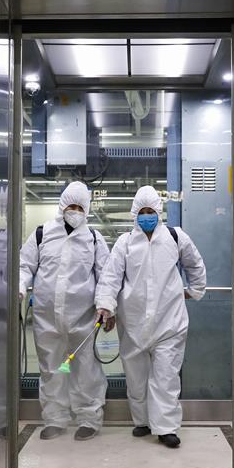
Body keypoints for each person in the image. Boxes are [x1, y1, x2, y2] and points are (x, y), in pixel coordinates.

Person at [94, 186, 206, 448]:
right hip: (132, 323)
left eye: (151, 211)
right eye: (142, 212)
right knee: (136, 378)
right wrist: (106, 304)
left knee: (166, 377)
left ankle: (166, 428)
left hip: (170, 322)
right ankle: (142, 421)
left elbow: (195, 263)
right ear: (135, 213)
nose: (147, 216)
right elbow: (111, 277)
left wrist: (195, 290)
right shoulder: (125, 243)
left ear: (159, 212)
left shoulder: (175, 237)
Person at [19, 181, 110, 441]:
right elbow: (24, 265)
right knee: (52, 369)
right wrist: (20, 287)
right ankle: (55, 419)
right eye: (71, 206)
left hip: (83, 318)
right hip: (47, 318)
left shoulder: (94, 239)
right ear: (62, 206)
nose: (75, 211)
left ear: (87, 209)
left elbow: (106, 276)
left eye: (80, 207)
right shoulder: (42, 234)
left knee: (85, 369)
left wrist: (106, 305)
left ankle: (89, 419)